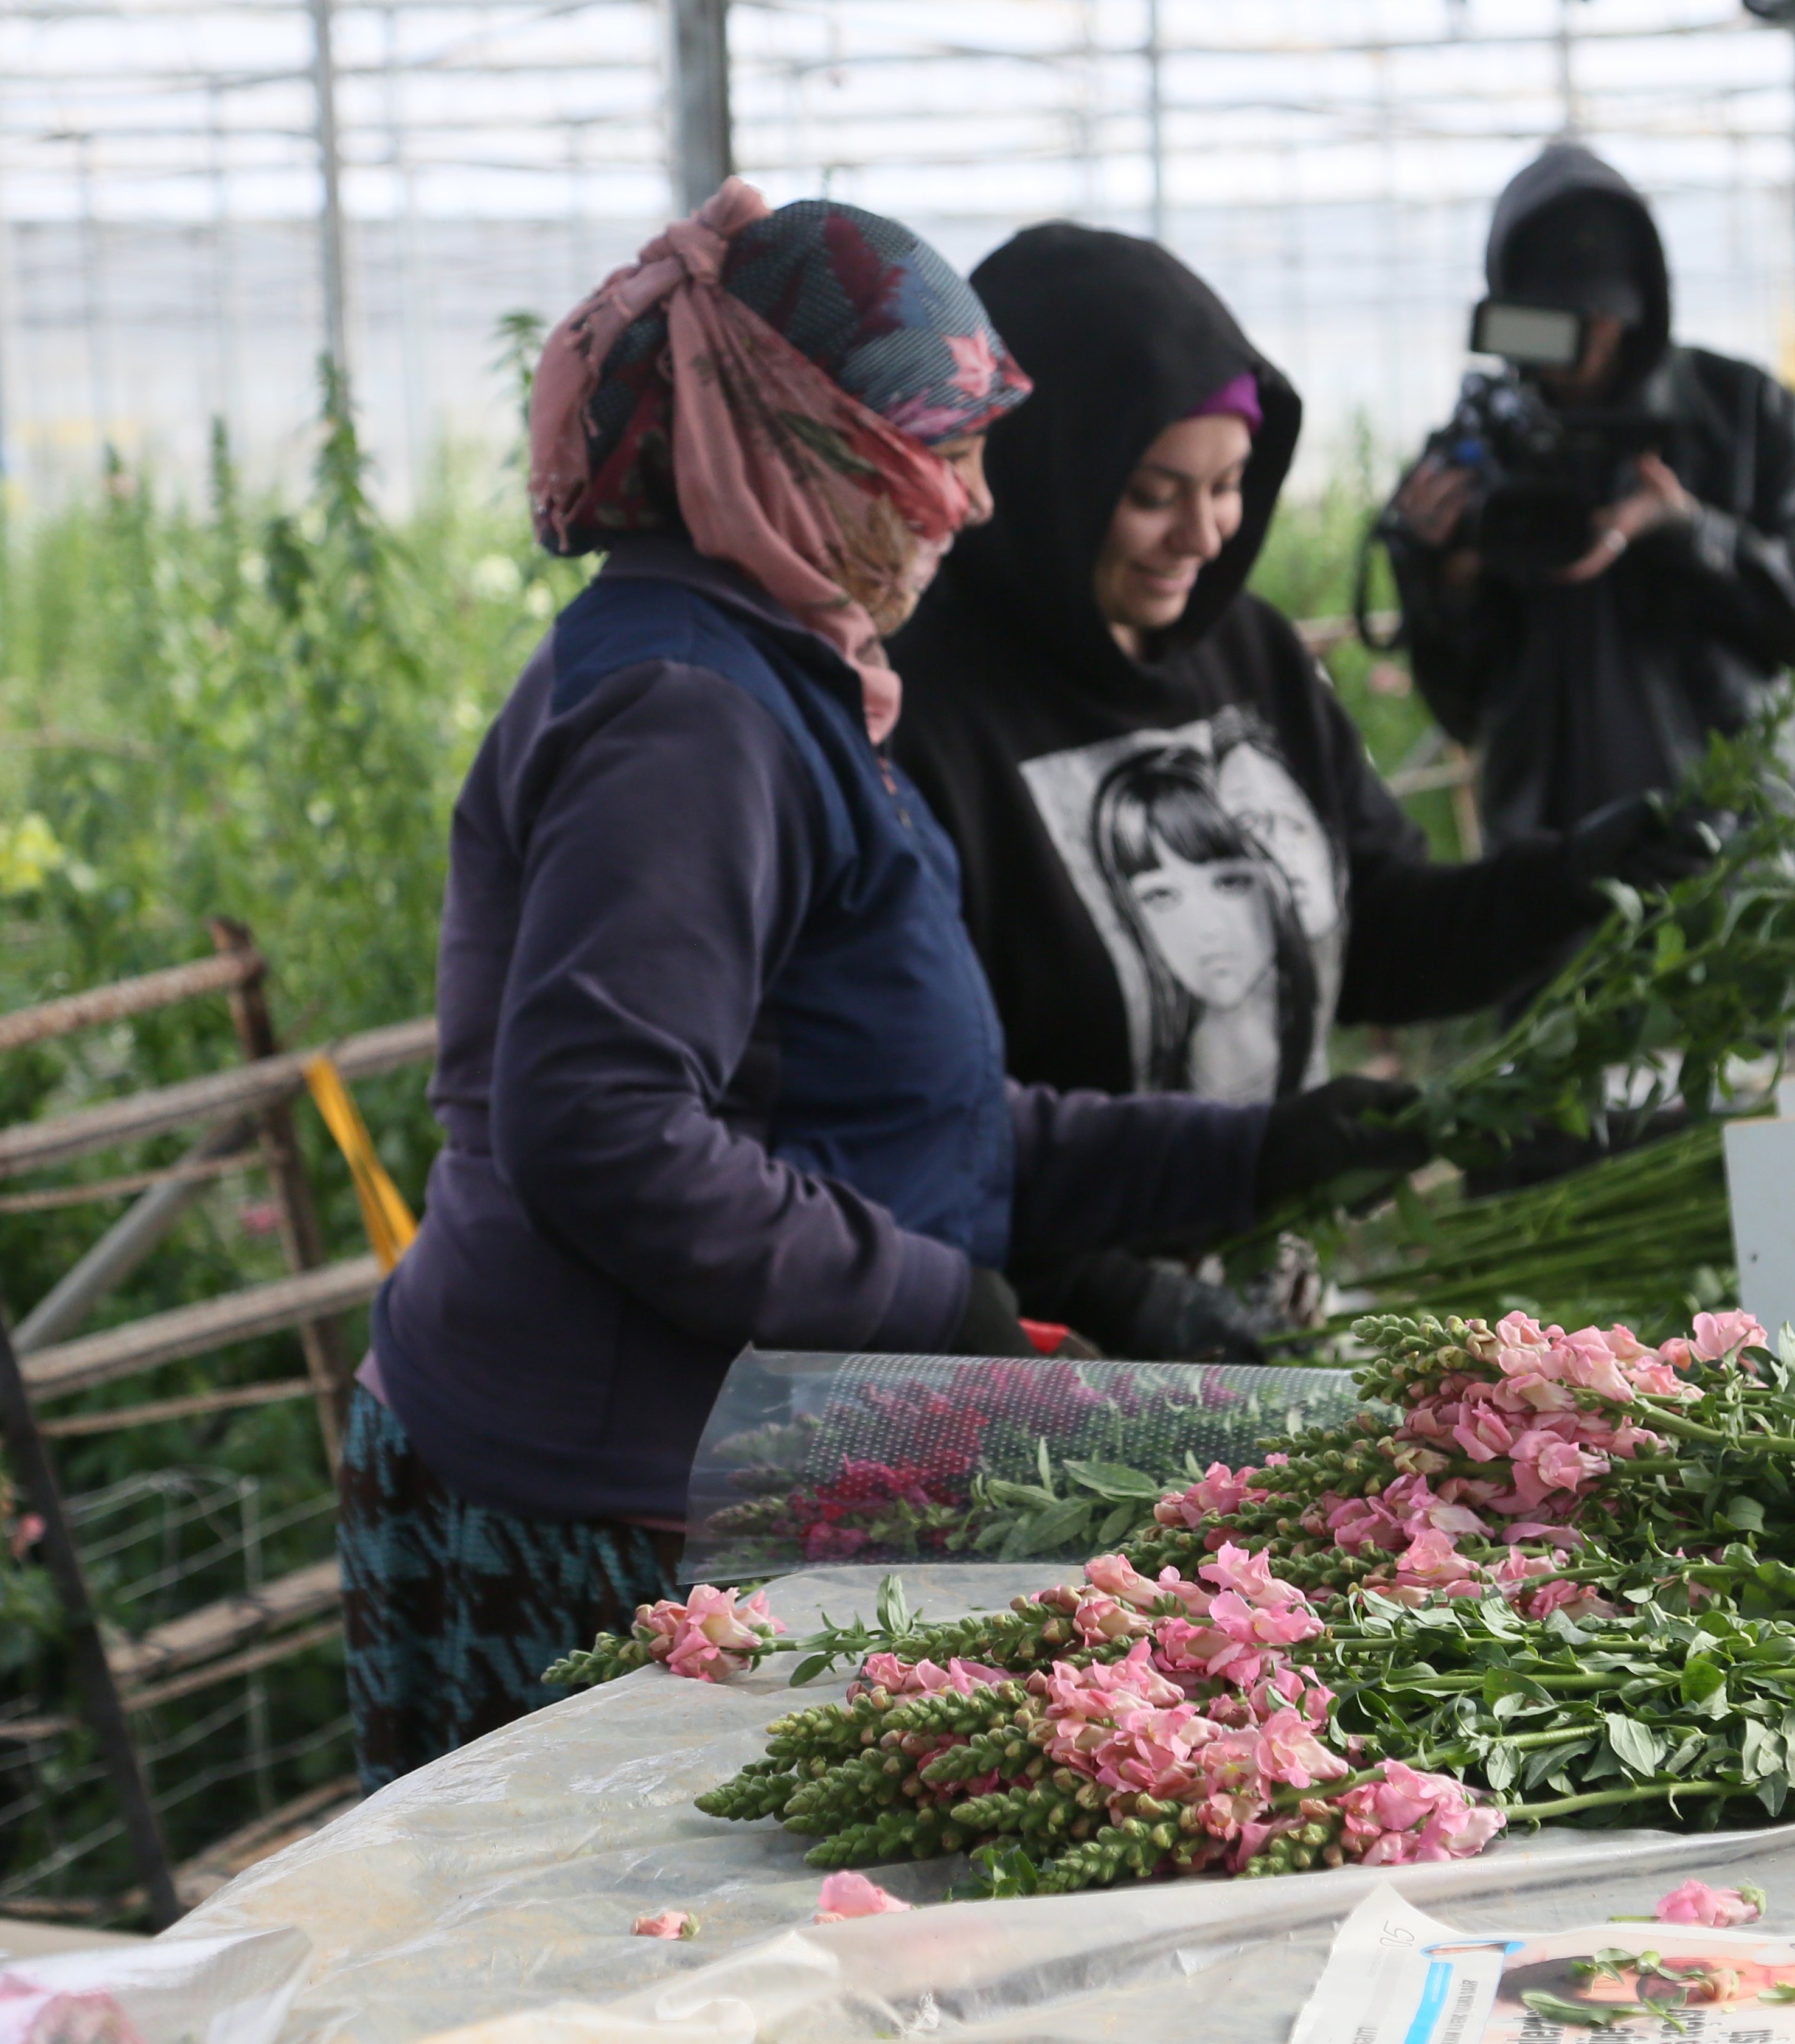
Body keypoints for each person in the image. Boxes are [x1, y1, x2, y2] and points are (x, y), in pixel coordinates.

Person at [342, 186, 1421, 1788]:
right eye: (942, 450)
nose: (978, 504)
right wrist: (929, 1306)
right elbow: (602, 1124)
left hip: (709, 1448)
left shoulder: (778, 672)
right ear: (798, 453)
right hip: (589, 1488)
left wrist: (1250, 1150)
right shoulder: (687, 713)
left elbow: (909, 1115)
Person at [888, 224, 1700, 1358]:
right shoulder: (922, 717)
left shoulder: (1249, 657)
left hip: (1265, 1325)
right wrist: (1092, 1285)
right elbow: (909, 1113)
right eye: (1155, 493)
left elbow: (1378, 935)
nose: (1206, 535)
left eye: (1230, 486)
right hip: (1054, 1352)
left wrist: (1578, 875)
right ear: (1042, 474)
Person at [1379, 145, 1795, 842]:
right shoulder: (1480, 454)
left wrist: (1693, 533)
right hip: (1555, 872)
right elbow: (1464, 708)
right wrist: (1444, 583)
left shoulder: (1750, 416)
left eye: (1600, 318)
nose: (1584, 343)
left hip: (1750, 860)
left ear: (1638, 309)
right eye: (1554, 323)